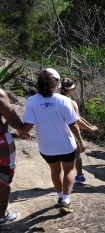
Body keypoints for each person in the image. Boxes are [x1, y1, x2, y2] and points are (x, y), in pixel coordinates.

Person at [19, 68, 87, 214]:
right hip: (66, 145)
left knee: (55, 171)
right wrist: (81, 141)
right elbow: (73, 123)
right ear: (56, 84)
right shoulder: (64, 100)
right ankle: (66, 201)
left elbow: (28, 125)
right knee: (70, 169)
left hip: (46, 147)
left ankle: (60, 197)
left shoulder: (32, 101)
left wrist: (22, 133)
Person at [60, 78, 99, 183]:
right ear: (71, 89)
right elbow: (77, 121)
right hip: (70, 133)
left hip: (57, 132)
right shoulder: (72, 103)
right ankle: (78, 176)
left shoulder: (54, 100)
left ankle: (64, 178)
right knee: (76, 154)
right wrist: (91, 129)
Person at [0, 89, 26, 225]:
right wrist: (23, 130)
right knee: (4, 178)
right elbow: (14, 120)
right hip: (1, 142)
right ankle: (2, 216)